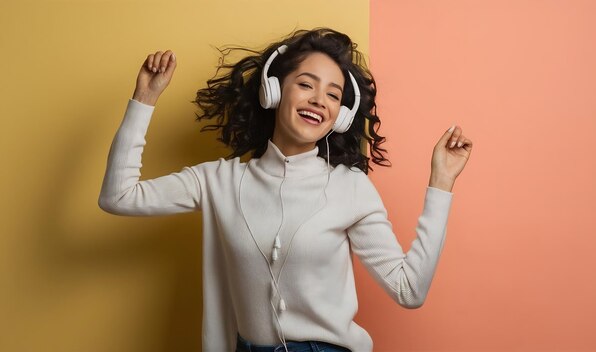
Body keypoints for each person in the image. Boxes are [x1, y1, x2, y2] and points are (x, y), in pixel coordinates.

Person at [98, 27, 473, 352]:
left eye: (332, 95)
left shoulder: (350, 188)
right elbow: (118, 197)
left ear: (341, 116)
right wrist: (143, 100)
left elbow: (409, 290)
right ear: (273, 92)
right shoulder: (218, 182)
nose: (318, 101)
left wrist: (440, 183)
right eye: (306, 84)